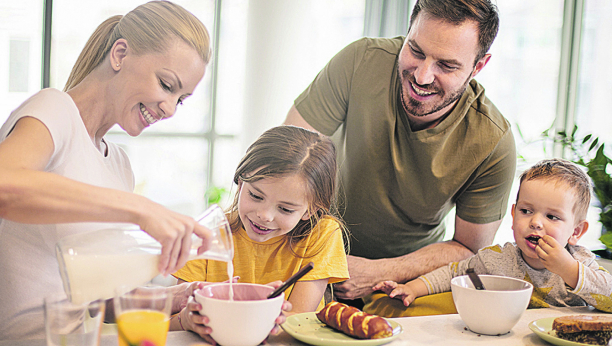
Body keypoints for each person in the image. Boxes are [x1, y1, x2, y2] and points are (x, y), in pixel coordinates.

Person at [0, 1, 256, 340]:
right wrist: (142, 209)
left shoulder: (118, 165)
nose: (169, 109)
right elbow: (6, 184)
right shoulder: (54, 110)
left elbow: (96, 298)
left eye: (181, 99)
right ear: (120, 54)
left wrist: (175, 298)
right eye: (167, 85)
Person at [283, 0, 516, 309]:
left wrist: (377, 271)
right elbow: (288, 160)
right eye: (416, 51)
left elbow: (469, 247)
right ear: (408, 32)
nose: (421, 76)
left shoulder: (493, 141)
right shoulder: (359, 60)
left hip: (408, 282)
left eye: (446, 65)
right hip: (312, 256)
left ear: (478, 67)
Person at [171, 125, 350, 340]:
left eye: (285, 209)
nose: (264, 215)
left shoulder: (322, 234)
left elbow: (297, 320)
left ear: (311, 210)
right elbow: (171, 322)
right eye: (256, 196)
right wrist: (187, 319)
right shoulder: (208, 234)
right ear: (240, 182)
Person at [374, 159, 612, 312]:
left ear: (576, 232)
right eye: (526, 211)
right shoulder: (496, 259)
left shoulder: (581, 263)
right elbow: (454, 272)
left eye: (552, 217)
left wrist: (569, 270)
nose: (536, 223)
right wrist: (414, 288)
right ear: (513, 214)